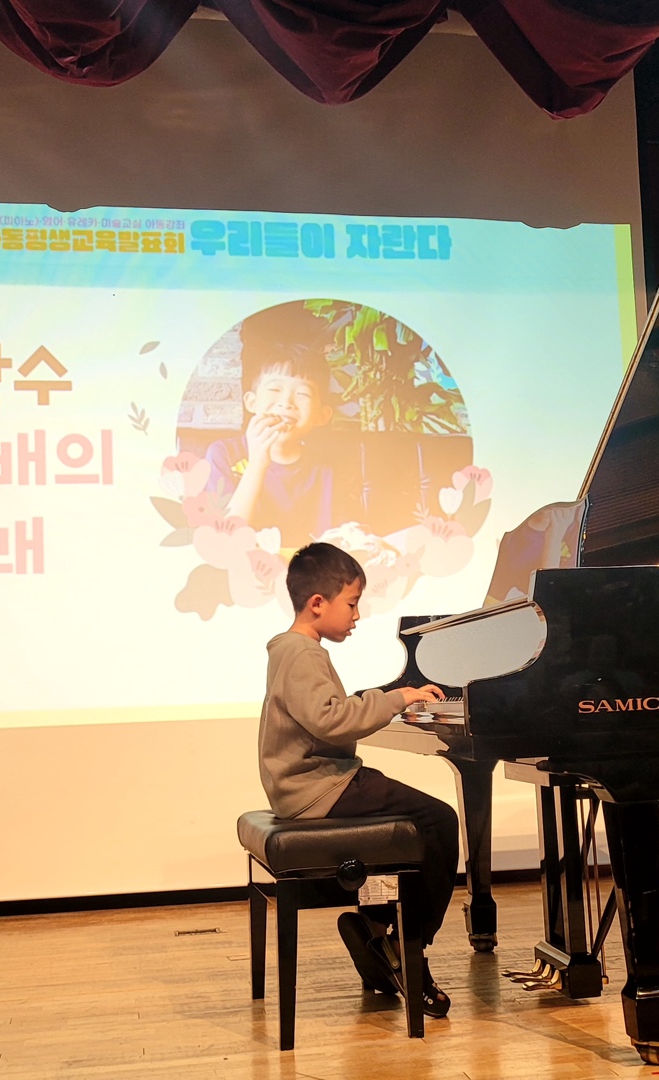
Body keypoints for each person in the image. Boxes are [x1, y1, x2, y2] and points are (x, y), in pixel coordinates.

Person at [259, 541, 458, 1017]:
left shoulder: (292, 650)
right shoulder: (302, 653)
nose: (357, 615)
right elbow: (331, 720)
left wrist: (386, 699)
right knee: (439, 821)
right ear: (317, 603)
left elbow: (327, 713)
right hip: (318, 787)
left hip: (310, 783)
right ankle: (408, 946)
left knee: (405, 825)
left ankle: (378, 928)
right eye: (351, 603)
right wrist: (397, 698)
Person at [203, 320, 359, 548]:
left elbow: (341, 541)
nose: (286, 403)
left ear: (322, 415)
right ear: (252, 402)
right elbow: (224, 541)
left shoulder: (328, 468)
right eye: (275, 389)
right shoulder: (223, 454)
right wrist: (257, 462)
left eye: (303, 394)